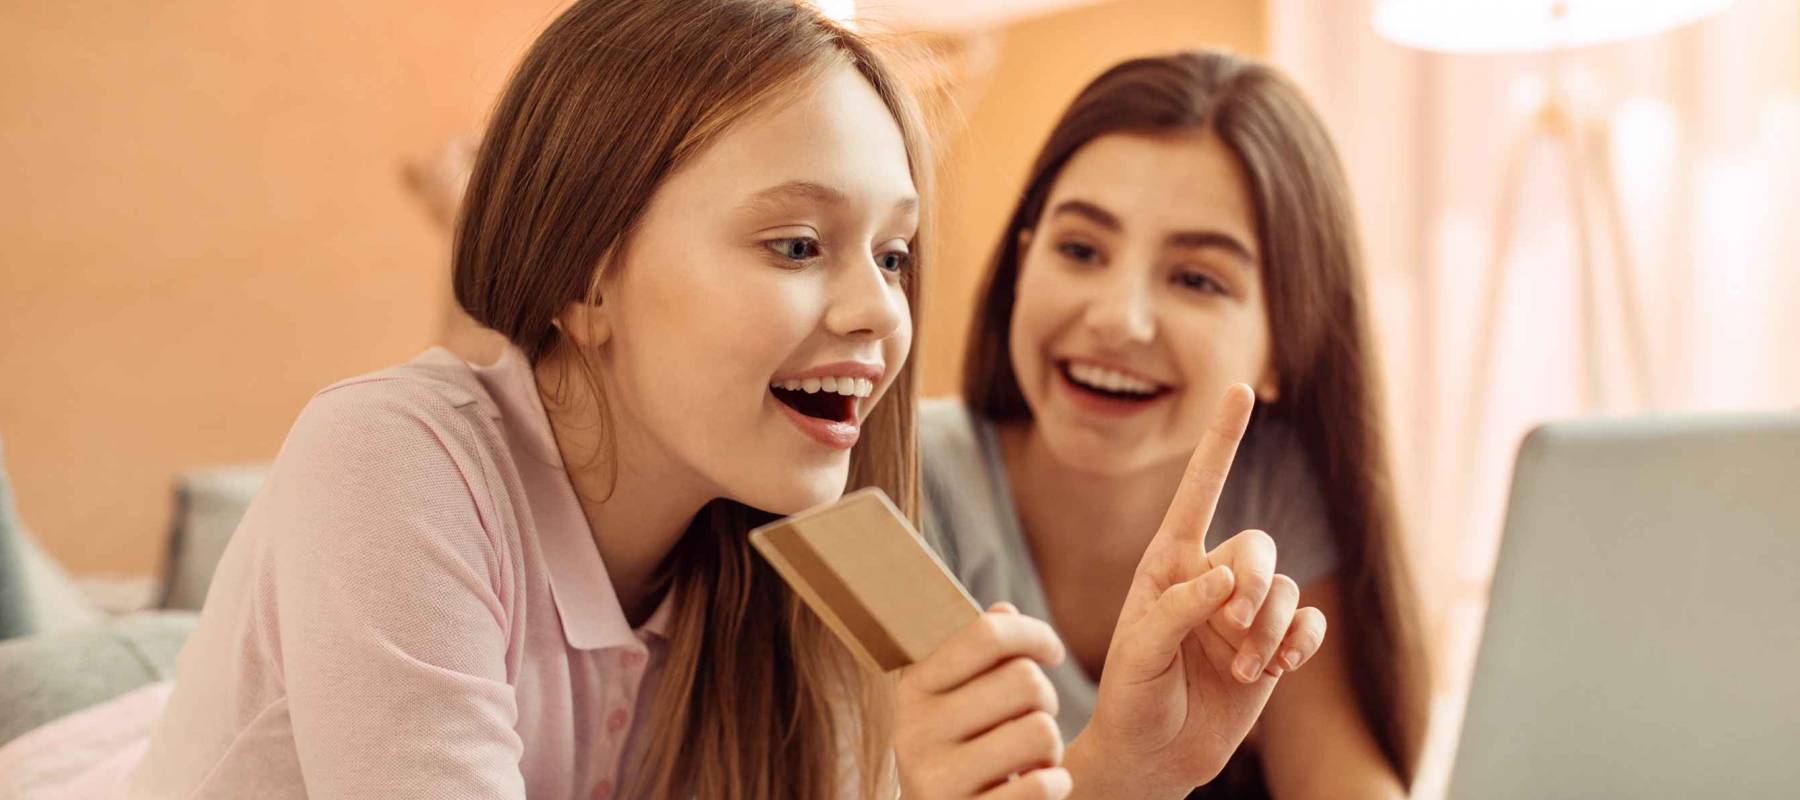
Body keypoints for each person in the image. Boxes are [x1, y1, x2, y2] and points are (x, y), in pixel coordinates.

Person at [120, 1, 1058, 796]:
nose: (879, 313)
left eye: (893, 255)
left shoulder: (801, 575)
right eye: (798, 245)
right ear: (587, 276)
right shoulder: (387, 455)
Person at [922, 51, 1430, 798]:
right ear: (1023, 266)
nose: (1116, 320)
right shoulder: (900, 483)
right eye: (1080, 250)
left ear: (1287, 345)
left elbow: (1341, 777)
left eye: (1195, 278)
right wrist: (1123, 770)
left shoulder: (1277, 482)